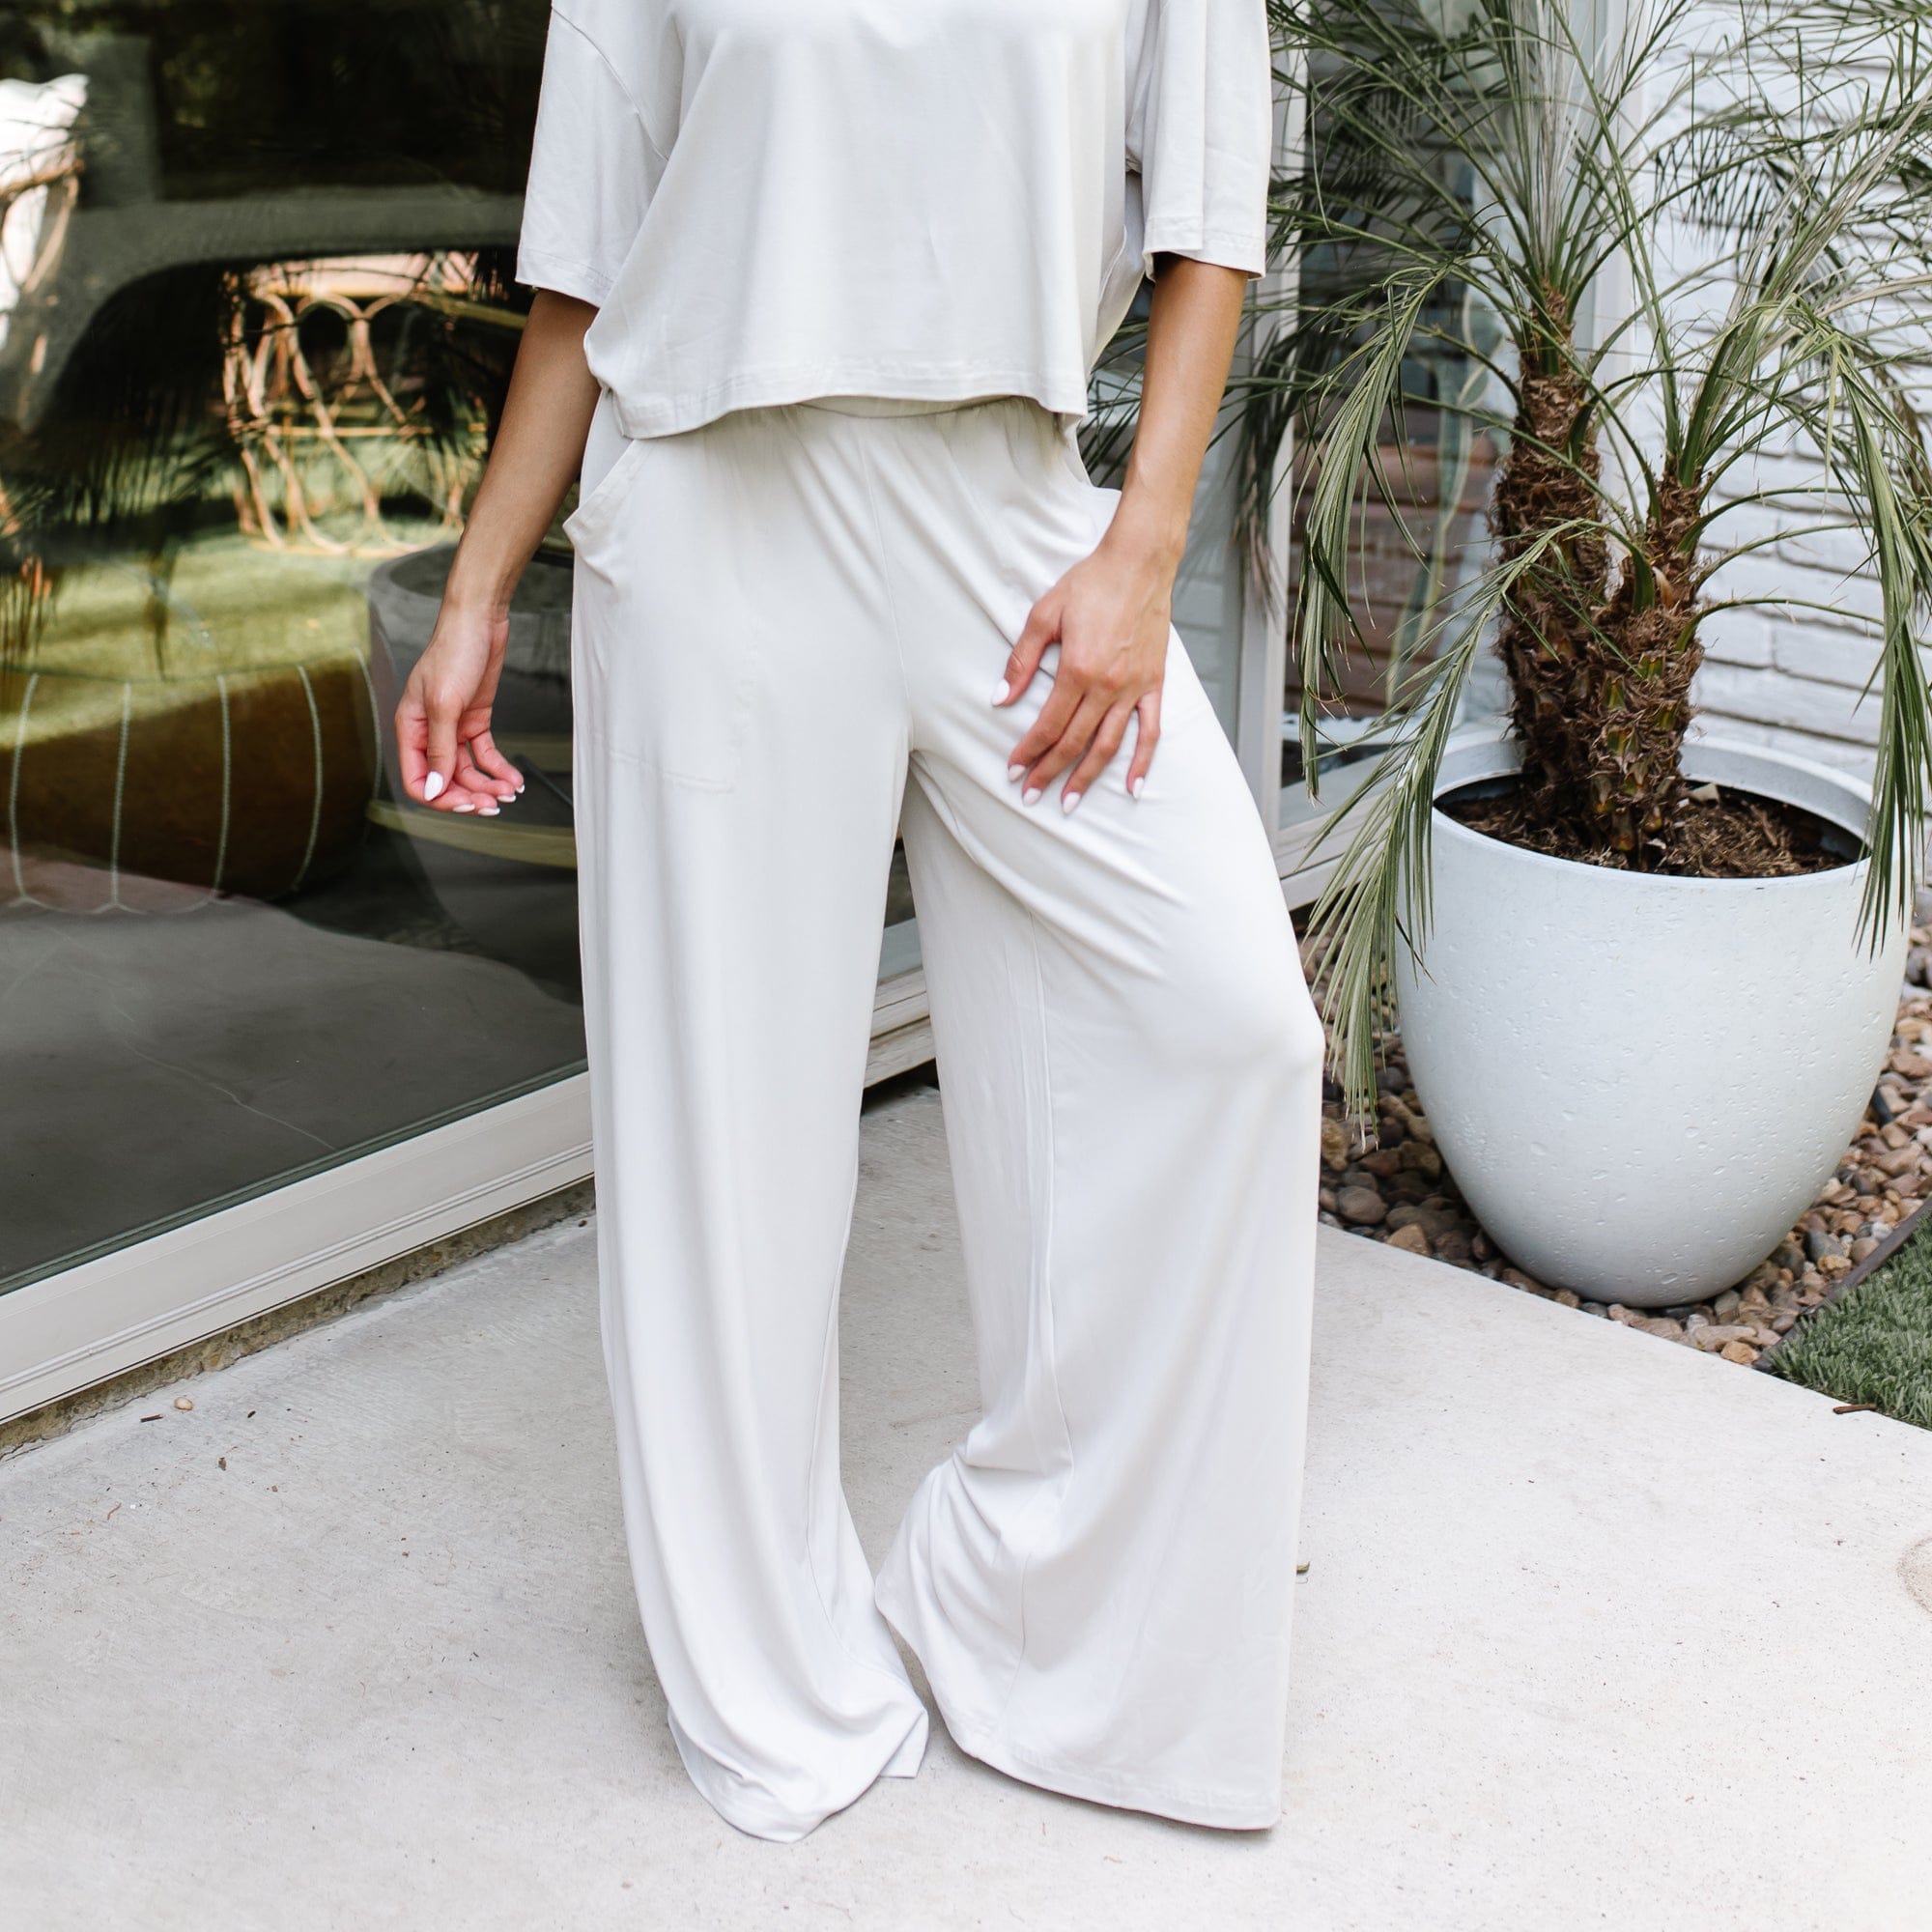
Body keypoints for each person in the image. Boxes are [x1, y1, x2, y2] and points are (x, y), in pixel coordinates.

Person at [393, 0, 1324, 1846]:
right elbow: (588, 264)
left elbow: (1208, 220)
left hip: (1008, 516)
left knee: (1227, 1021)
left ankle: (1034, 1609)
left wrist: (1143, 547)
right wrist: (483, 584)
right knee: (727, 1138)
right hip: (715, 518)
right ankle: (771, 1673)